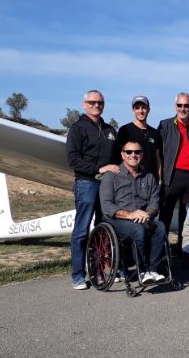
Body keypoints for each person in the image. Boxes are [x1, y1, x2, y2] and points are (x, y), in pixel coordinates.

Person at [66, 90, 119, 290]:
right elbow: (73, 160)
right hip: (86, 184)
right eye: (92, 102)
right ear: (84, 104)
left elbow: (116, 159)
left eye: (100, 102)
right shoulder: (77, 128)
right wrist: (99, 168)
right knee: (81, 231)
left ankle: (103, 270)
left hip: (107, 186)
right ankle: (78, 275)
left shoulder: (109, 129)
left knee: (105, 227)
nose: (96, 105)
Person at [99, 141, 166, 283]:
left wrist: (148, 214)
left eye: (137, 152)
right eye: (129, 152)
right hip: (117, 219)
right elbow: (106, 205)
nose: (133, 155)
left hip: (142, 218)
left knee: (160, 227)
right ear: (123, 155)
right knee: (137, 230)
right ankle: (142, 270)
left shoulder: (148, 176)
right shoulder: (111, 175)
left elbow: (154, 200)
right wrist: (130, 215)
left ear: (142, 155)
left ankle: (153, 270)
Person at [157, 92, 189, 248]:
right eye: (180, 105)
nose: (183, 108)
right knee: (165, 214)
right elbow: (157, 151)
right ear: (175, 107)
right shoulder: (165, 125)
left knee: (186, 217)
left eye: (186, 106)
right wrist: (160, 174)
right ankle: (161, 249)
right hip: (172, 176)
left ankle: (183, 249)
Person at [115, 95, 162, 180]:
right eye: (137, 108)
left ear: (148, 110)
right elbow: (120, 156)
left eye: (143, 107)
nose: (140, 111)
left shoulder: (155, 133)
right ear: (133, 110)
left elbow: (158, 158)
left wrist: (159, 178)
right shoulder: (125, 130)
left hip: (151, 180)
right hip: (130, 179)